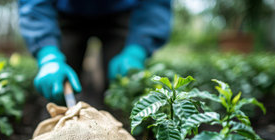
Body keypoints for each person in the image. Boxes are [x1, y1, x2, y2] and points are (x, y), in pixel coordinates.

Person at [19, 0, 172, 104]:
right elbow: (34, 4)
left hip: (122, 9)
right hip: (67, 10)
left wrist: (136, 49)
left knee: (119, 90)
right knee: (57, 90)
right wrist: (48, 55)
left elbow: (155, 4)